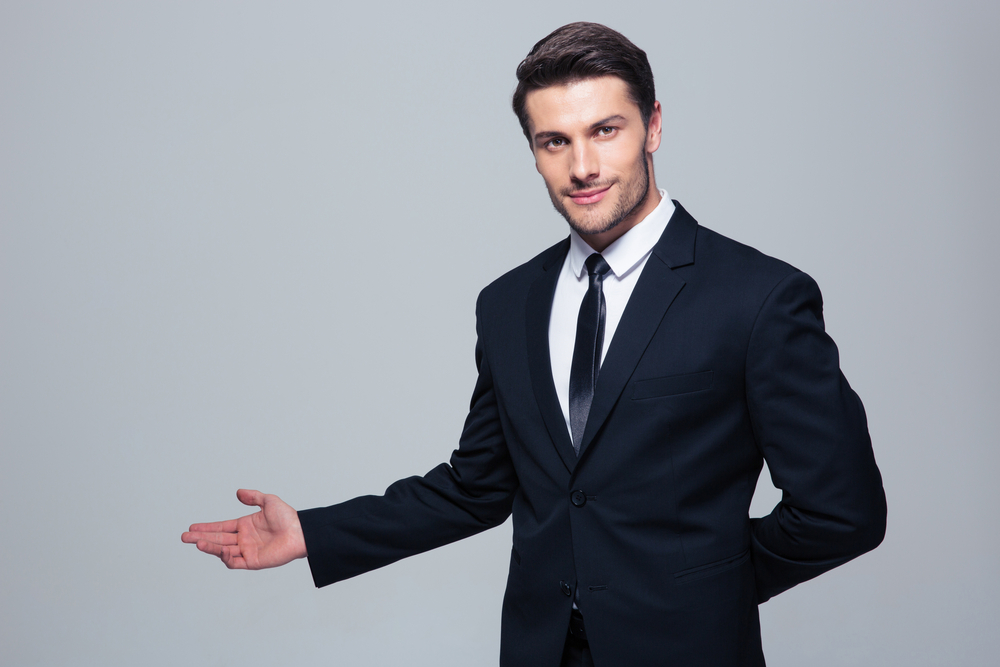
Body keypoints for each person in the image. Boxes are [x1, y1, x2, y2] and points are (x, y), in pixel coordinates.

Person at [182, 22, 886, 667]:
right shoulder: (509, 302)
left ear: (654, 127)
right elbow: (477, 485)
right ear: (534, 151)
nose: (582, 165)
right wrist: (313, 531)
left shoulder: (758, 296)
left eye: (605, 130)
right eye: (555, 141)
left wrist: (705, 588)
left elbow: (843, 511)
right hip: (540, 650)